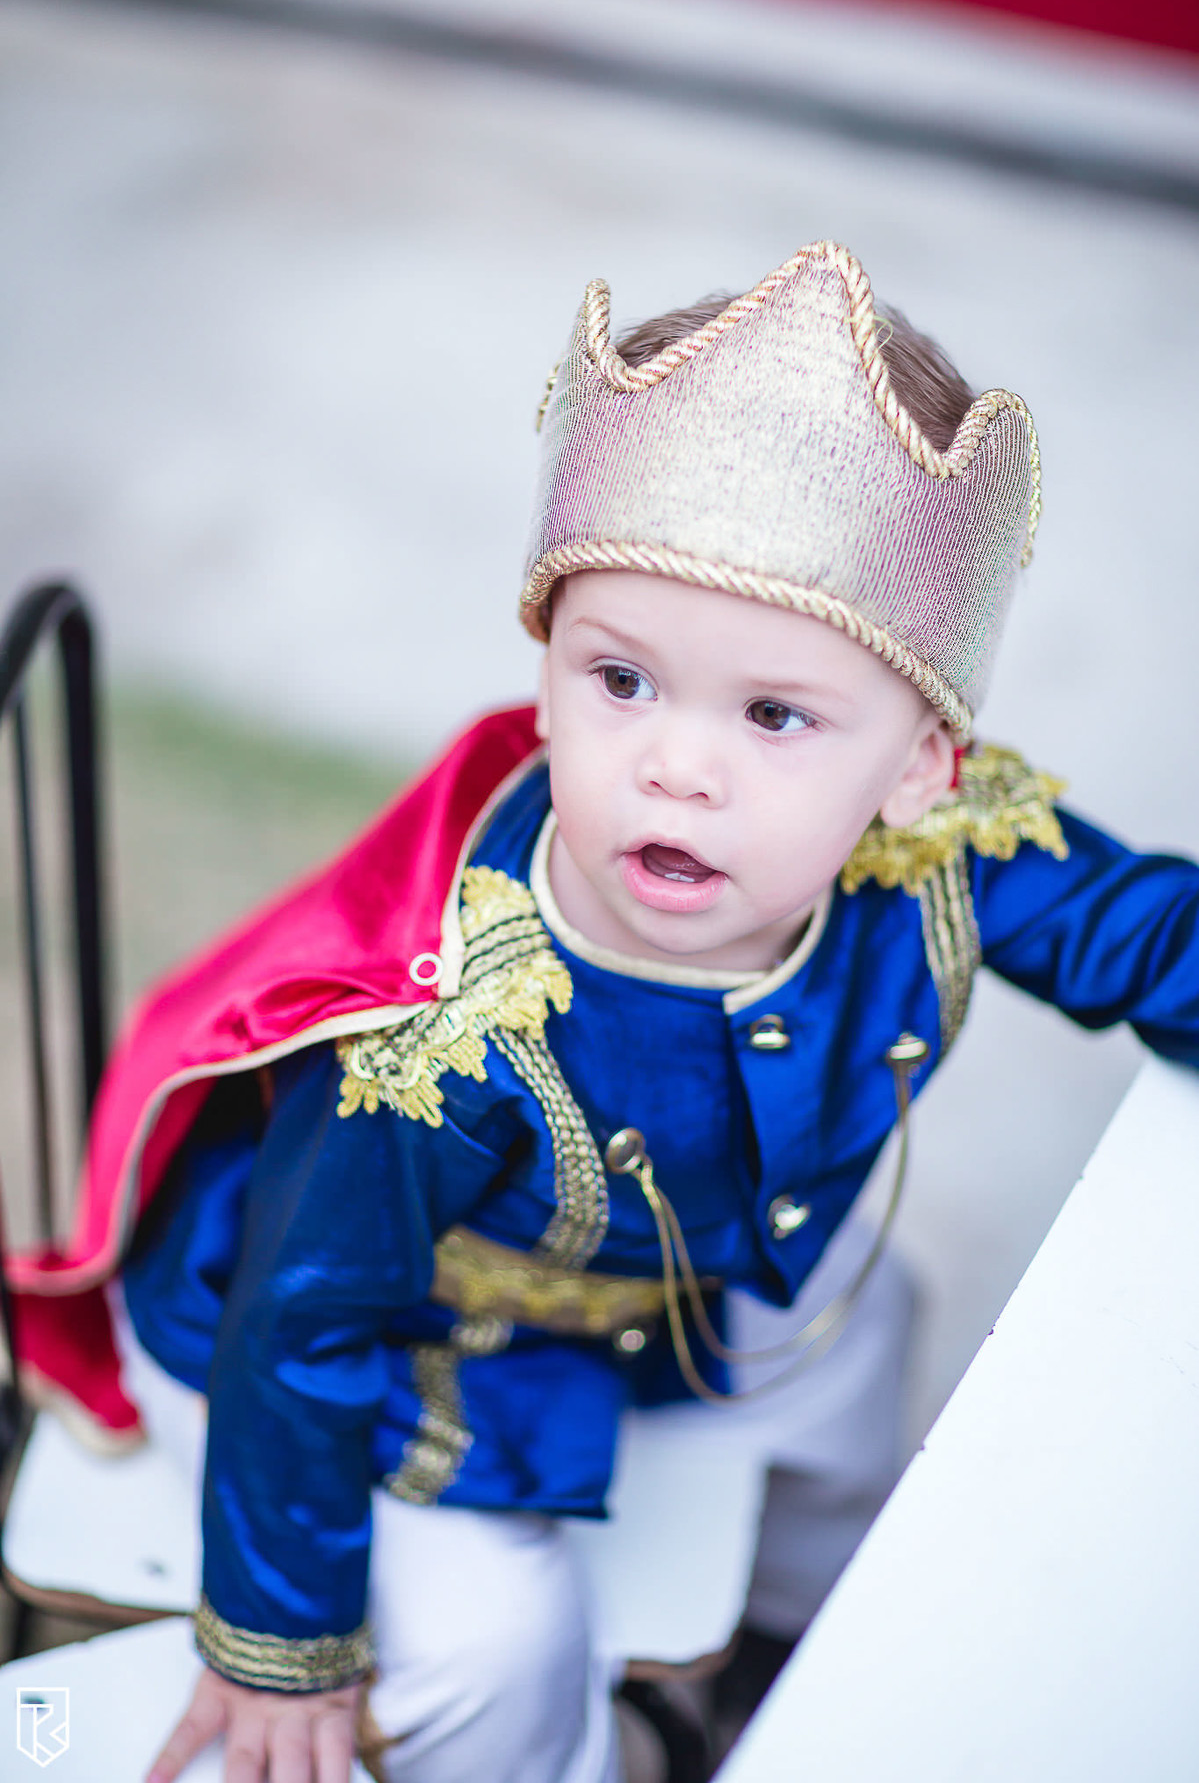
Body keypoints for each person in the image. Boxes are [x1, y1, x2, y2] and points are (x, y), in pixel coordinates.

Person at [10, 239, 1199, 1783]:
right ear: (548, 662)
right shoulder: (445, 1035)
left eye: (776, 715)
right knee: (503, 1649)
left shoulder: (946, 859)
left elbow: (1141, 930)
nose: (677, 767)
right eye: (620, 680)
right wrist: (282, 1638)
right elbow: (301, 1327)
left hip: (670, 1286)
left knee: (866, 1328)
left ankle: (807, 1657)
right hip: (377, 1343)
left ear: (921, 767)